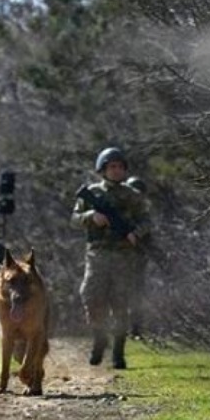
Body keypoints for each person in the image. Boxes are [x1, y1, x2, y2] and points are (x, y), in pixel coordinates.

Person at [71, 147, 150, 369]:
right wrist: (91, 216)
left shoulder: (133, 196)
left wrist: (136, 233)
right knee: (91, 296)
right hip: (97, 254)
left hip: (124, 256)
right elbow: (74, 218)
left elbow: (146, 221)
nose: (116, 171)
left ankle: (118, 351)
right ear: (103, 169)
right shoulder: (93, 193)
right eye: (111, 167)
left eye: (120, 167)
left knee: (120, 303)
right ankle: (99, 336)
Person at [125, 175, 150, 339]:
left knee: (136, 295)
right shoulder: (122, 211)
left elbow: (147, 233)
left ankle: (135, 329)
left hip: (137, 259)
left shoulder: (142, 214)